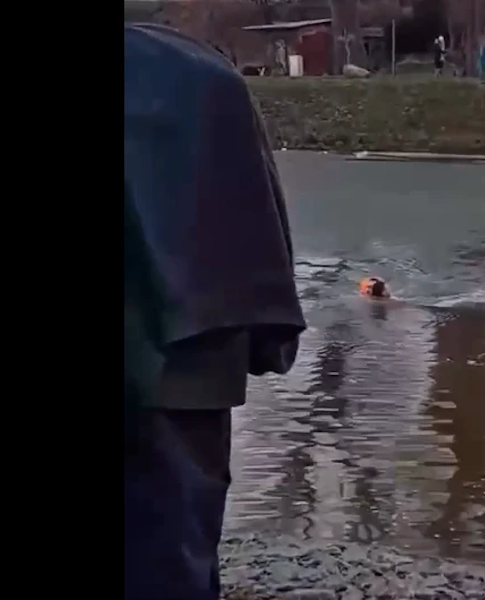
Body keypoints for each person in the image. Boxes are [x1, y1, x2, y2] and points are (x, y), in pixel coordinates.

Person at [125, 23, 306, 600]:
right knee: (175, 551)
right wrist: (262, 337)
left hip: (187, 358)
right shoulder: (202, 73)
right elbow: (255, 215)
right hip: (193, 357)